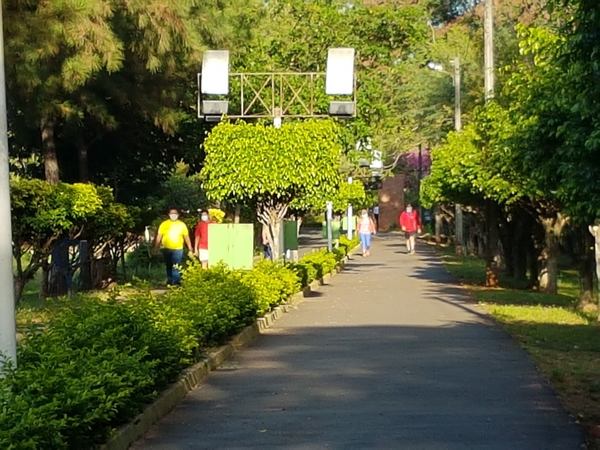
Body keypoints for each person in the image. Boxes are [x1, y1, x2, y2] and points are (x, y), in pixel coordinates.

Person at [154, 208, 193, 285]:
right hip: (166, 248)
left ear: (178, 215)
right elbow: (159, 236)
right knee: (168, 265)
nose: (173, 215)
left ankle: (176, 282)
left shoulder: (182, 225)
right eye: (172, 213)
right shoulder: (164, 224)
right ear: (169, 215)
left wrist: (190, 248)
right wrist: (156, 247)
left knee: (176, 266)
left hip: (178, 249)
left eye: (175, 213)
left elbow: (186, 237)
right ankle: (169, 280)